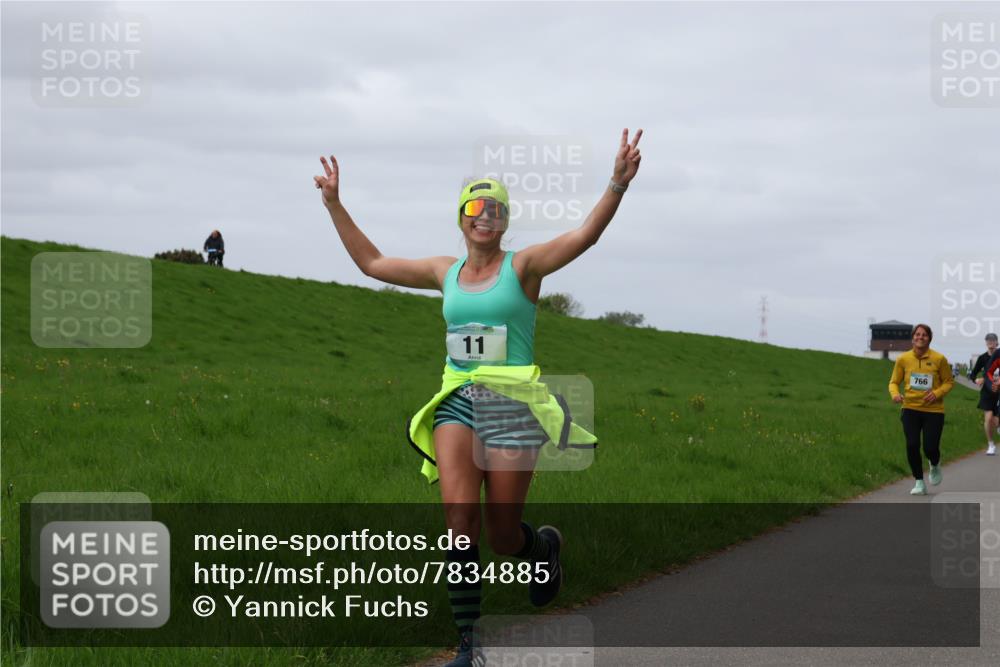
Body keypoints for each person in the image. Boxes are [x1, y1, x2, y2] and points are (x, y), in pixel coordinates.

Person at [313, 128, 642, 667]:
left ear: (504, 222)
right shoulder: (444, 272)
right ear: (461, 216)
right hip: (457, 400)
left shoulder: (524, 267)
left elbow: (584, 236)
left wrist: (617, 184)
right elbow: (372, 263)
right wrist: (334, 204)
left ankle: (541, 549)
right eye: (475, 207)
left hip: (512, 405)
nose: (485, 216)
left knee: (502, 534)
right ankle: (469, 645)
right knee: (459, 519)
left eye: (496, 210)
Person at [888, 324, 955, 495]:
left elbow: (949, 382)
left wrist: (937, 393)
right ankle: (919, 482)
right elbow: (894, 382)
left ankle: (934, 463)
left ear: (929, 338)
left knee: (930, 448)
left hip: (934, 411)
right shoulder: (903, 359)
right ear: (912, 338)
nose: (920, 337)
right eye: (917, 334)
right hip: (910, 408)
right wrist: (895, 394)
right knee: (912, 445)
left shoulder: (939, 359)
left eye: (924, 335)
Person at [969, 333, 1000, 455]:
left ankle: (998, 426)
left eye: (993, 340)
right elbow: (973, 374)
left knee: (996, 421)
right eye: (988, 340)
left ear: (997, 342)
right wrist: (976, 379)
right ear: (986, 342)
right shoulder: (982, 358)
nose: (991, 342)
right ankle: (991, 444)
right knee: (988, 418)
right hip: (987, 392)